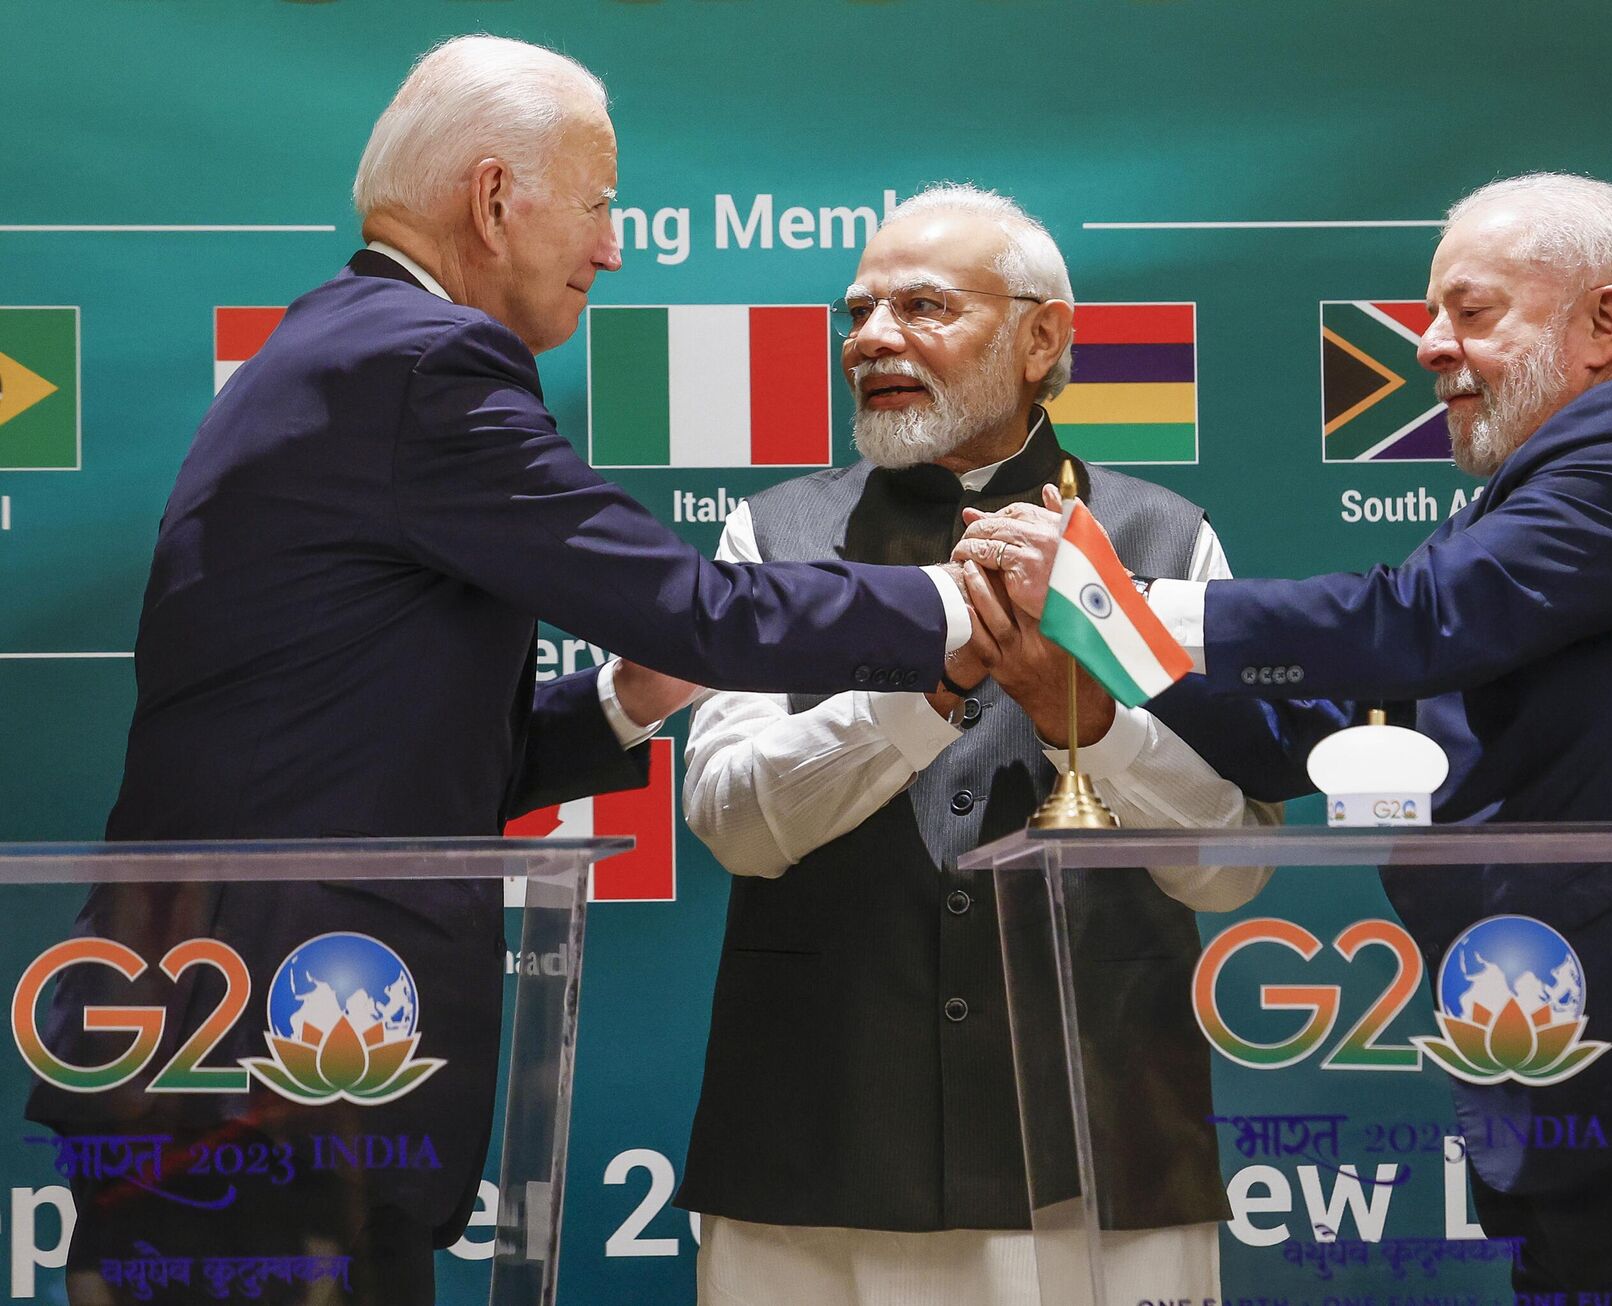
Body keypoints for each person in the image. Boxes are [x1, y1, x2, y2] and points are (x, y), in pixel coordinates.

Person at [29, 36, 978, 1304]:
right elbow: (693, 603)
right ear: (492, 200)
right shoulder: (424, 363)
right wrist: (961, 606)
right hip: (275, 1069)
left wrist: (623, 699)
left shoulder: (332, 352)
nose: (615, 247)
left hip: (235, 1053)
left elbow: (367, 748)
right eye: (598, 205)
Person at [957, 173, 1612, 1301]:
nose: (1426, 345)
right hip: (1576, 1096)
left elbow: (1416, 621)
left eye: (1470, 311)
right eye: (1431, 314)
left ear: (1606, 324)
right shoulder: (1503, 526)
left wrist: (1120, 597)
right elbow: (1287, 742)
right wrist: (1097, 674)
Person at [674, 184, 1289, 1306]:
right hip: (816, 1157)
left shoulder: (1165, 539)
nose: (870, 338)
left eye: (920, 306)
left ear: (1041, 338)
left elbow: (1232, 863)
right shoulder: (768, 537)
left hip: (1105, 1165)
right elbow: (732, 823)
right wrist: (934, 686)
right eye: (856, 313)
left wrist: (1098, 726)